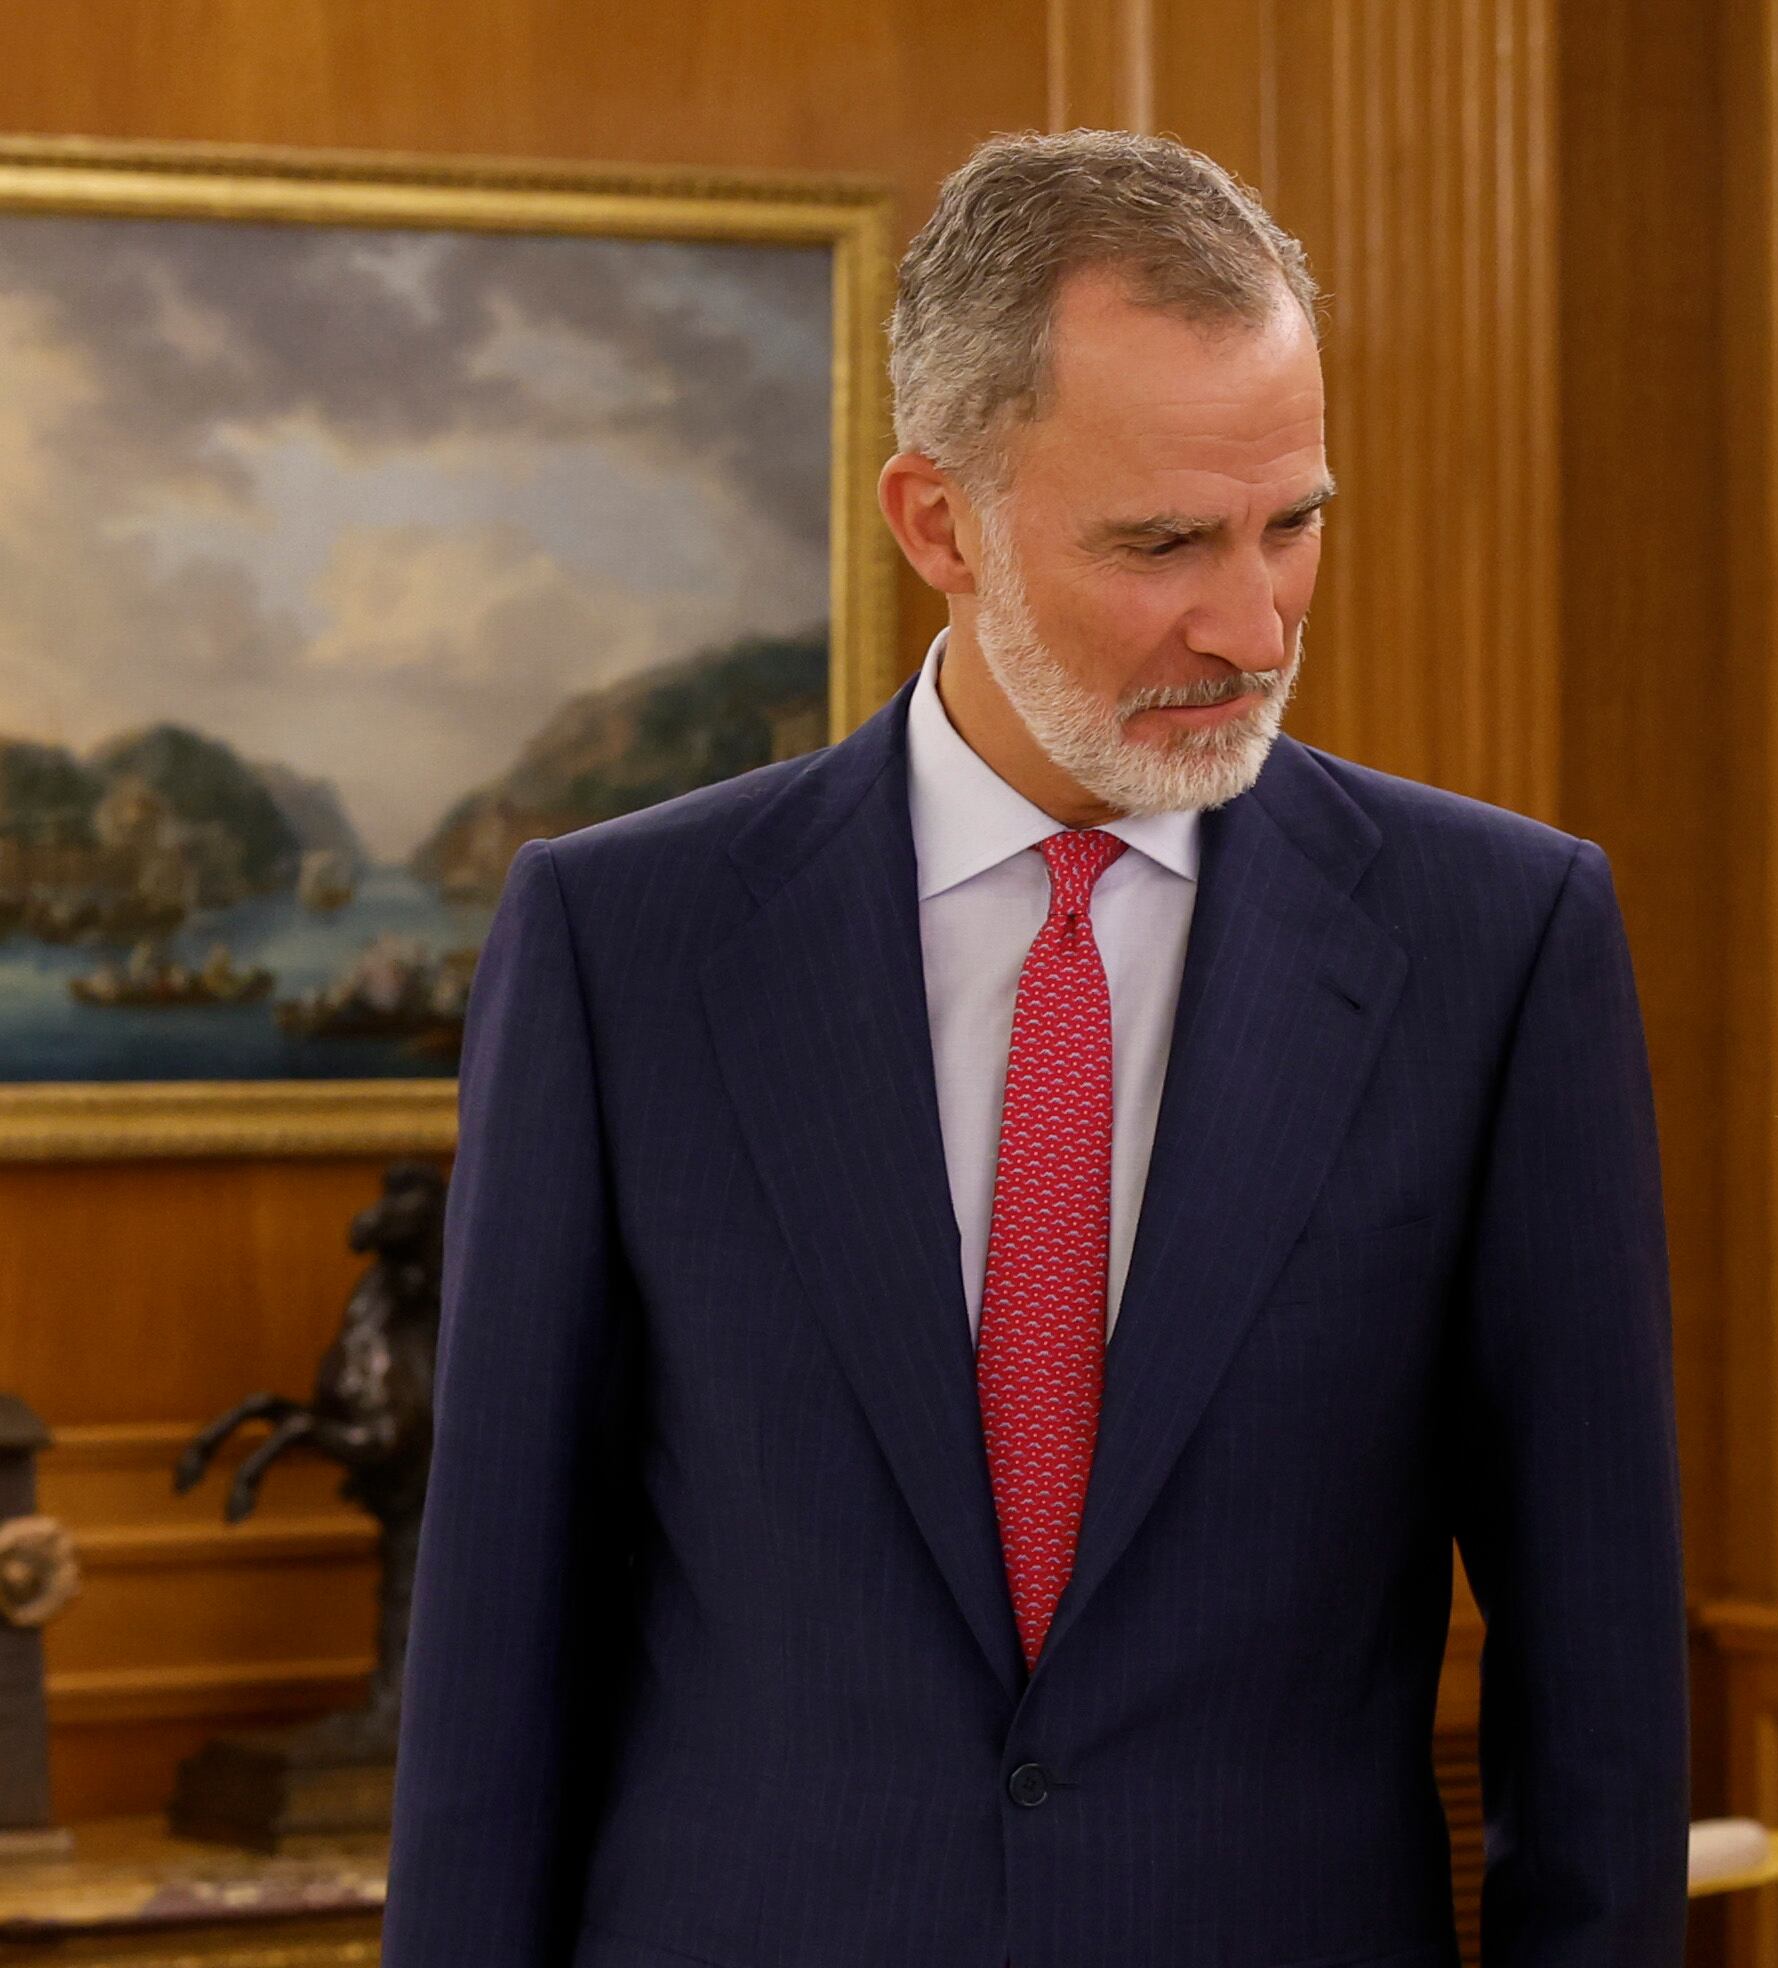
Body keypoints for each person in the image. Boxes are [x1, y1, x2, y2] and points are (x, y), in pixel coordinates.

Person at [384, 130, 1687, 1968]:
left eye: (1293, 522)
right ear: (940, 521)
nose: (1252, 623)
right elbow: (495, 1655)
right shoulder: (624, 948)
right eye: (1163, 542)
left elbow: (1600, 1677)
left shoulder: (1501, 946)